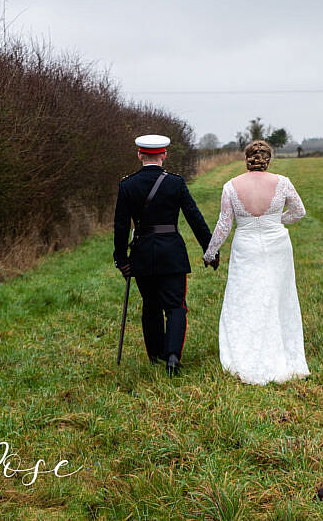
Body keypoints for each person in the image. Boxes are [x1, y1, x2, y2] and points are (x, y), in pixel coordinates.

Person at [202, 140, 309, 385]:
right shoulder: (282, 183)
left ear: (247, 159)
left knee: (245, 296)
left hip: (246, 245)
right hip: (277, 244)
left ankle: (244, 353)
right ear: (268, 159)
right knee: (278, 296)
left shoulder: (231, 186)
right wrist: (276, 221)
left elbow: (224, 225)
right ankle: (282, 352)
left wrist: (210, 253)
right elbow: (299, 212)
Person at [113, 134, 219, 376]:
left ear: (140, 155)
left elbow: (120, 226)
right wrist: (210, 250)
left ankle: (155, 356)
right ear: (164, 154)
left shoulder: (127, 185)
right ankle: (172, 356)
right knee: (176, 307)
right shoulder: (175, 183)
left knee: (150, 305)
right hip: (171, 253)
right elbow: (195, 218)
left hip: (141, 254)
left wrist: (121, 260)